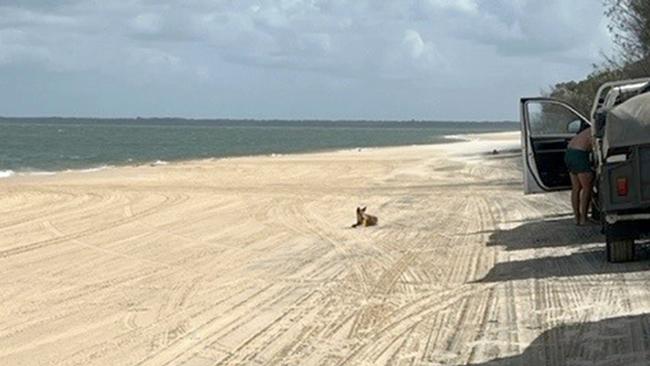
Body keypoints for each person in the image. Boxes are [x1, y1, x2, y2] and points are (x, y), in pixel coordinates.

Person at [564, 127, 594, 226]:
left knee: (576, 188)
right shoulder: (595, 130)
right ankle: (584, 219)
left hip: (569, 153)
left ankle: (576, 218)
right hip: (579, 154)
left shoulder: (586, 131)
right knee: (587, 188)